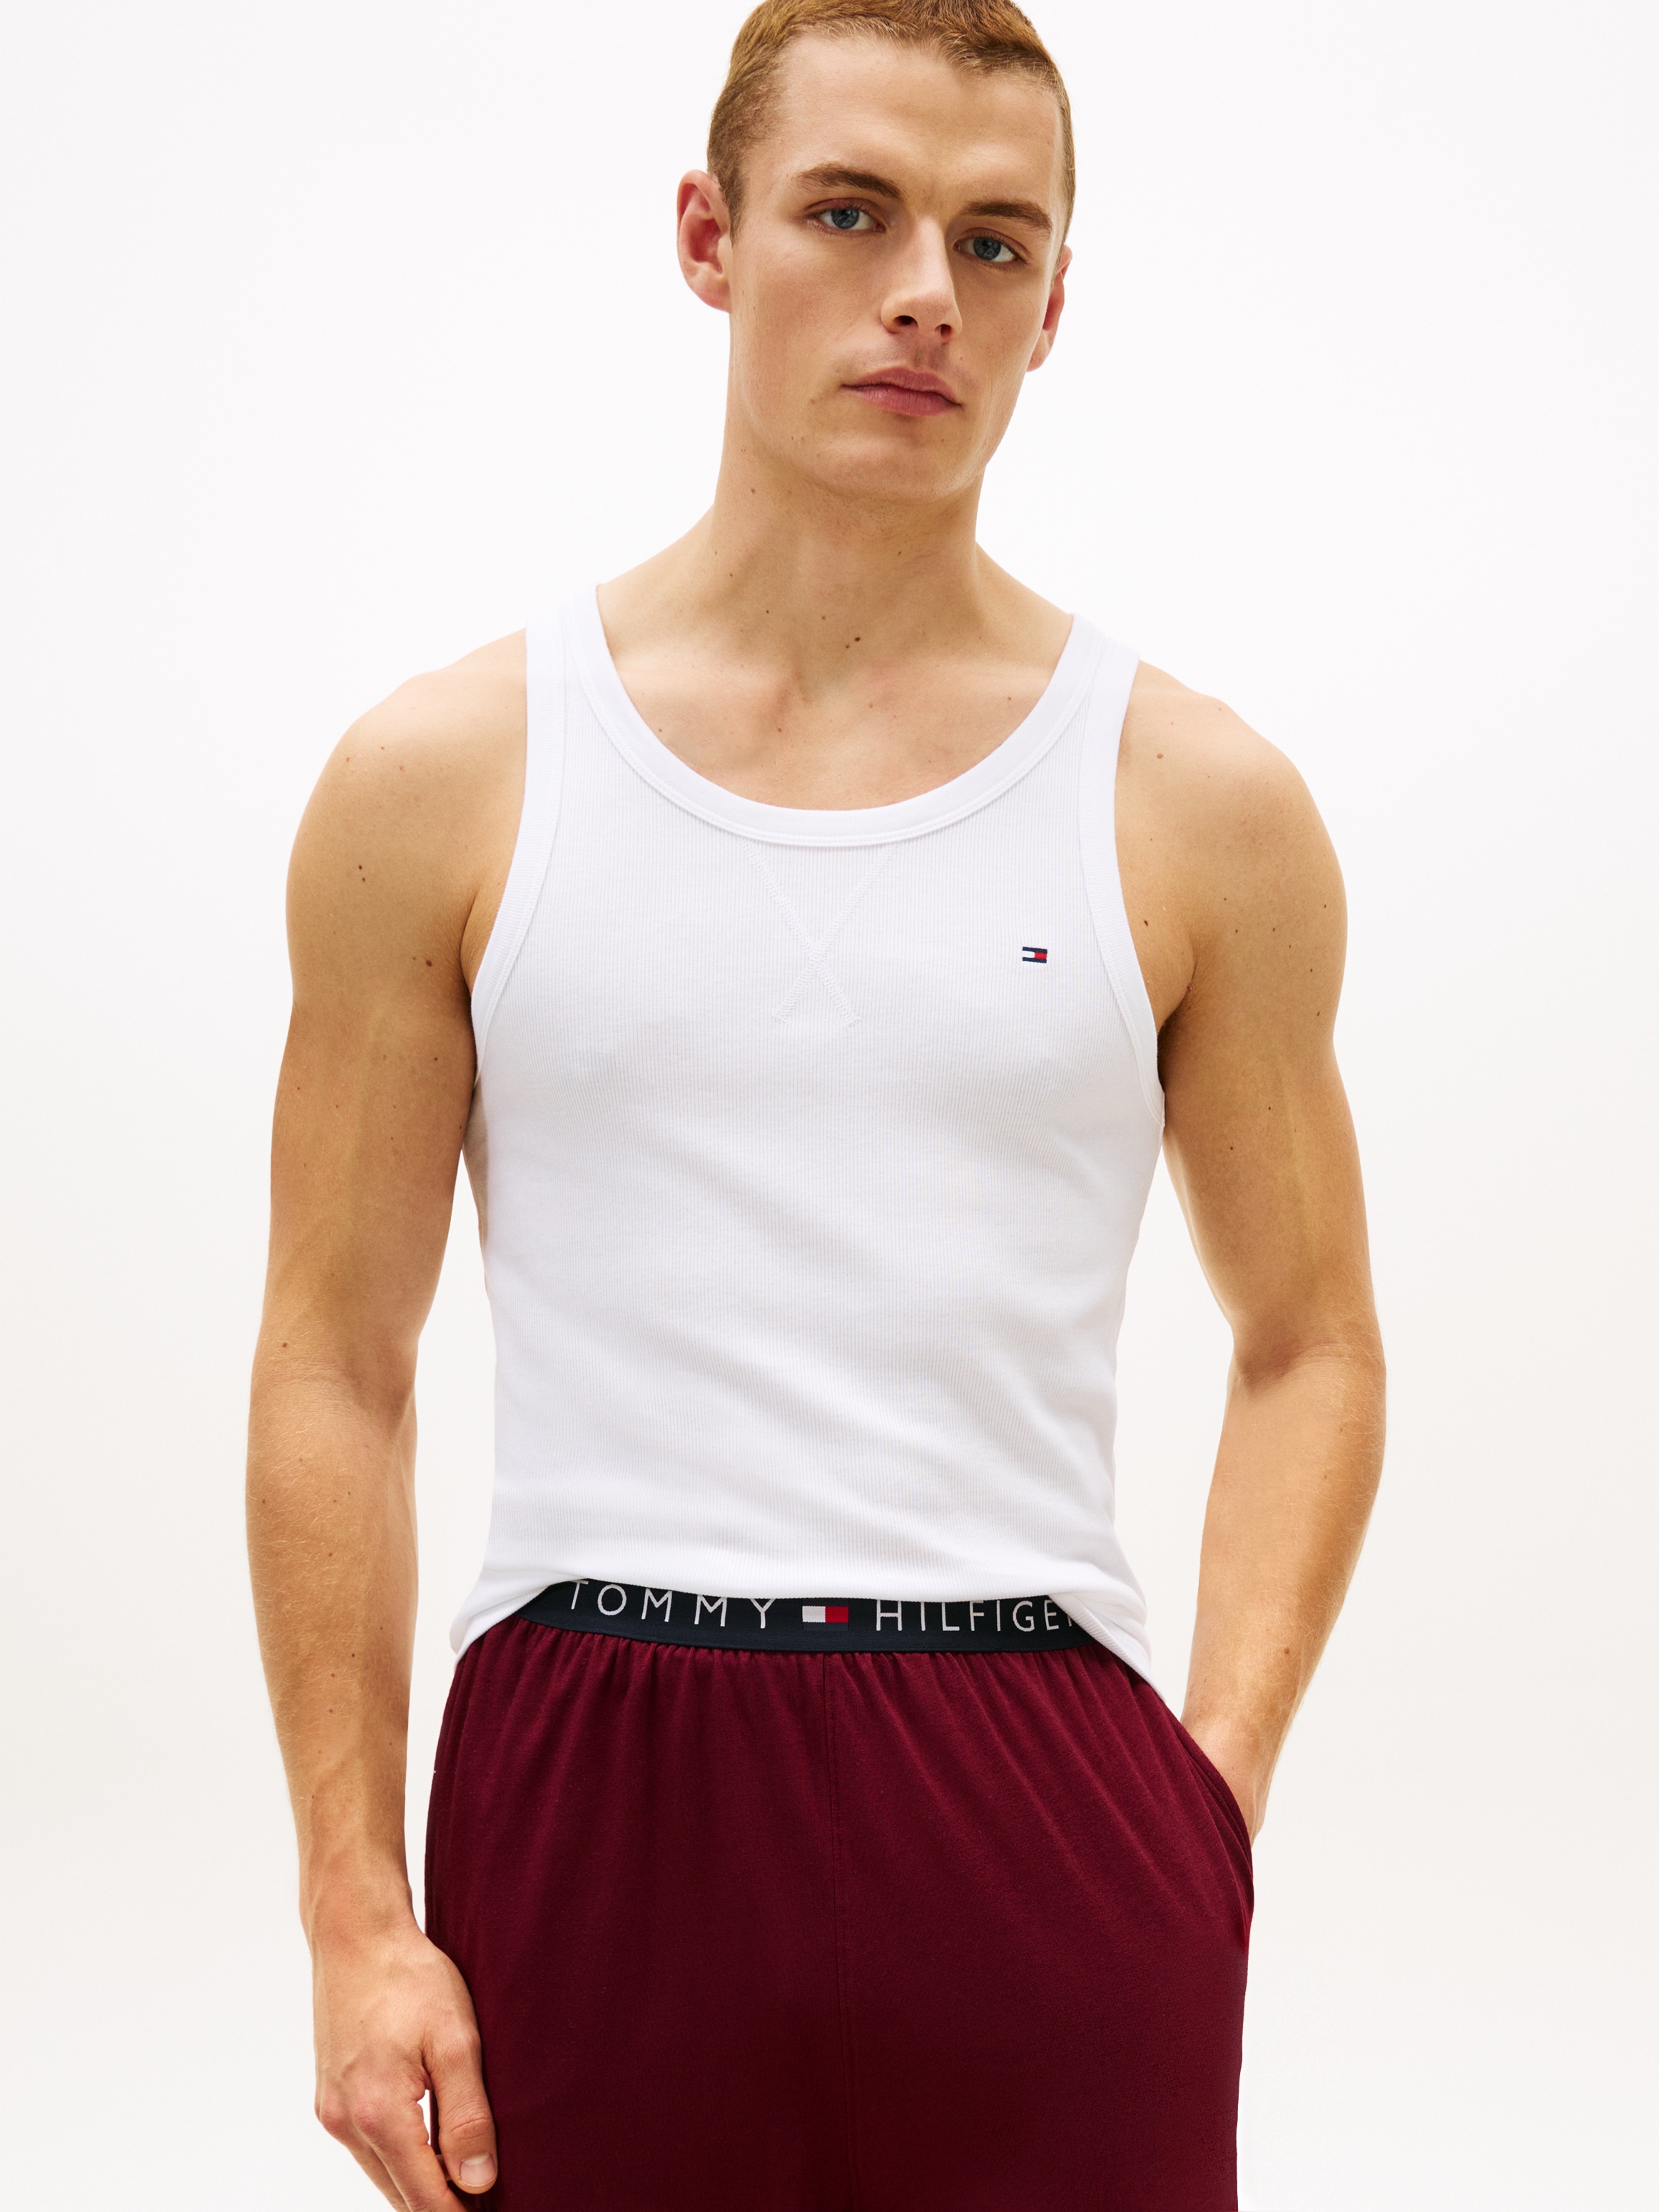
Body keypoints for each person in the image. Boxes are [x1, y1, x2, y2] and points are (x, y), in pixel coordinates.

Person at [248, 2, 1385, 2206]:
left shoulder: (1199, 805)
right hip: (593, 1756)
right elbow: (334, 1360)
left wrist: (1206, 1798)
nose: (924, 294)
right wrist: (352, 1910)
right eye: (853, 214)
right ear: (711, 233)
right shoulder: (449, 778)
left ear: (1056, 300)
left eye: (994, 241)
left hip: (1039, 1768)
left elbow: (1312, 1338)